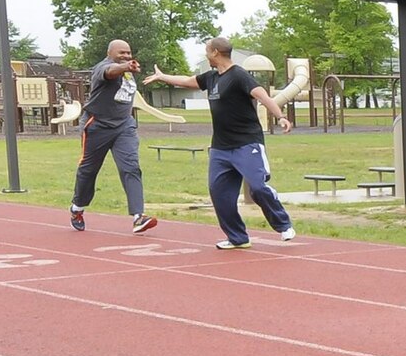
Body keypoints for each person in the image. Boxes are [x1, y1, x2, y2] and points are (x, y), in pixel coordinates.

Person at [143, 38, 293, 250]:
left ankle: (283, 224)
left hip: (246, 143)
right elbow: (187, 80)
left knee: (258, 188)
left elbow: (261, 94)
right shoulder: (212, 77)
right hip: (221, 148)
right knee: (219, 194)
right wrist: (162, 77)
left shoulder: (238, 75)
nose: (205, 55)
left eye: (207, 51)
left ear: (215, 52)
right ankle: (237, 237)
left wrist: (280, 116)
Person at [69, 38, 157, 235]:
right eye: (121, 53)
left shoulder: (127, 72)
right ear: (110, 53)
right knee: (89, 170)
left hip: (124, 126)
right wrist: (124, 66)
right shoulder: (103, 67)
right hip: (97, 125)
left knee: (131, 167)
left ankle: (138, 216)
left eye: (128, 53)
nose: (126, 56)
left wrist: (127, 67)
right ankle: (77, 207)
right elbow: (109, 73)